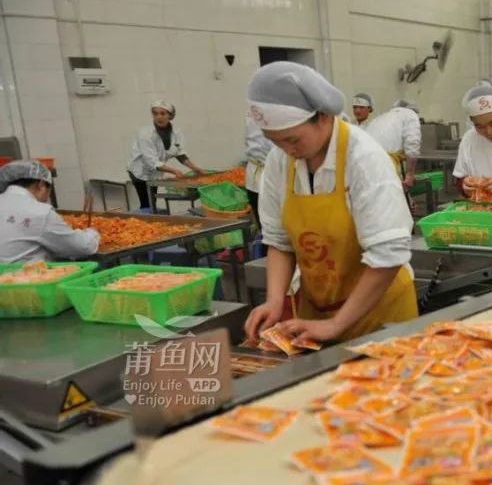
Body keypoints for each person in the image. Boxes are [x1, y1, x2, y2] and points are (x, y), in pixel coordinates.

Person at [243, 62, 417, 345]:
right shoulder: (280, 159)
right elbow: (279, 242)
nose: (287, 150)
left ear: (322, 117)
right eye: (275, 141)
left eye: (292, 139)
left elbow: (388, 254)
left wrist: (336, 324)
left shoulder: (364, 158)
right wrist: (274, 301)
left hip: (379, 314)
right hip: (318, 311)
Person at [0, 160, 99, 263]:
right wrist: (92, 233)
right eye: (48, 191)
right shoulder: (40, 212)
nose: (46, 199)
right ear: (41, 185)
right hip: (25, 272)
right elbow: (81, 248)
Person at [127, 100, 205, 210]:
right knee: (147, 203)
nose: (159, 117)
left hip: (155, 172)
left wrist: (195, 168)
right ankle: (146, 214)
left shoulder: (176, 133)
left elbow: (179, 154)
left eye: (163, 113)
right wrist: (175, 171)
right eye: (155, 113)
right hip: (139, 171)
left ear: (170, 115)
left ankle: (151, 213)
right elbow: (152, 161)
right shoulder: (145, 134)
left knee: (152, 201)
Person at [365, 99, 421, 192]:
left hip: (365, 165)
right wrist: (410, 175)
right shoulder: (410, 114)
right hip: (384, 165)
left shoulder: (381, 117)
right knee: (390, 196)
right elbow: (412, 145)